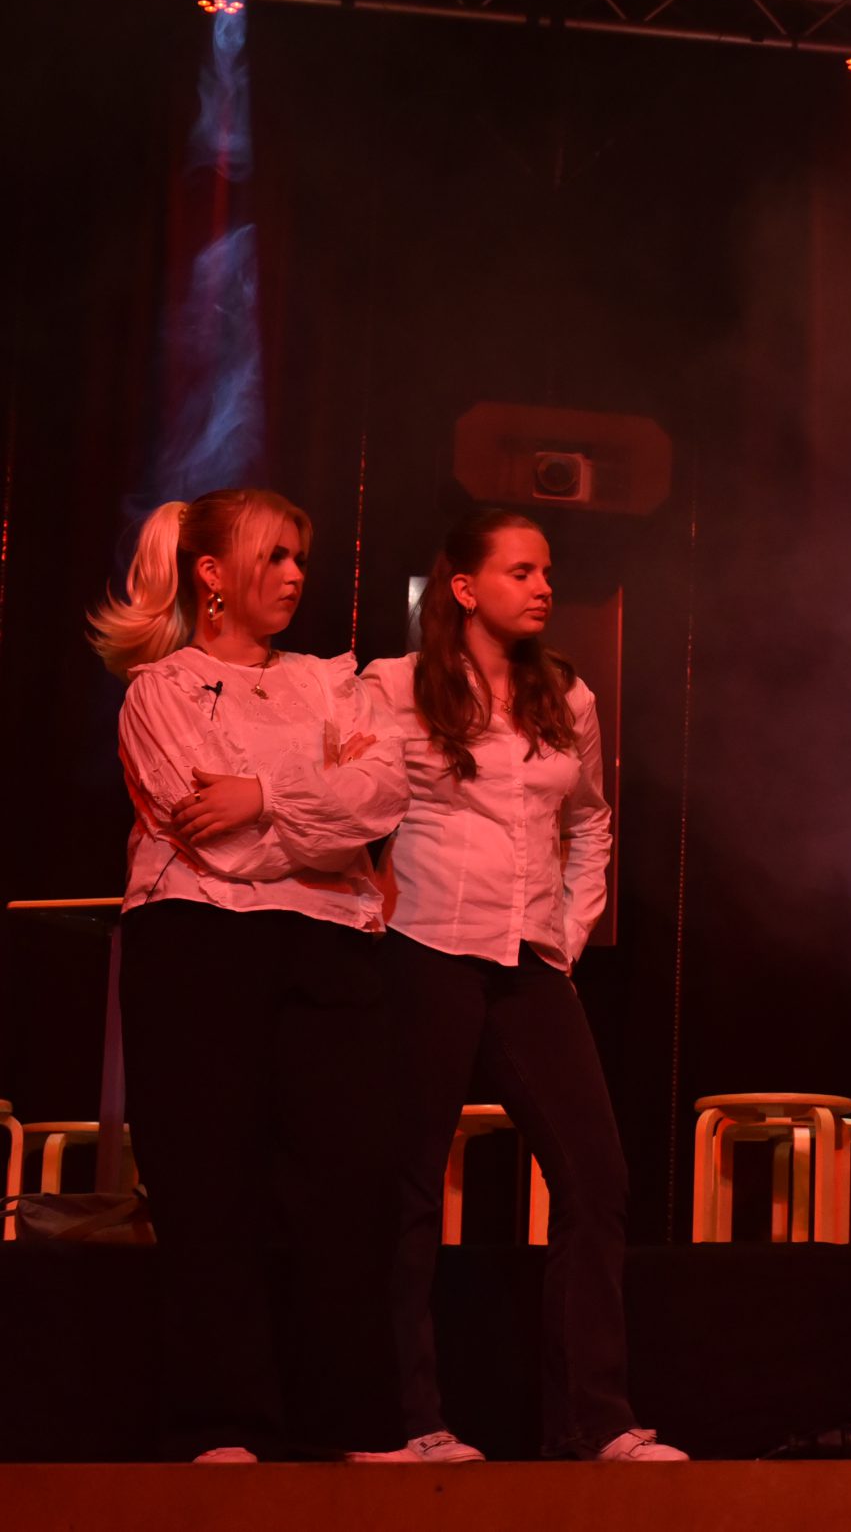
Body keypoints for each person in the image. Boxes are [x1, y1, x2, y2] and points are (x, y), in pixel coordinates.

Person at [92, 488, 409, 1462]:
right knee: (209, 1184)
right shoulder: (162, 690)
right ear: (211, 574)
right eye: (273, 555)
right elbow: (213, 843)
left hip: (328, 946)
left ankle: (350, 1418)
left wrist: (265, 795)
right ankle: (223, 1420)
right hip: (198, 941)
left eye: (299, 557)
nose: (295, 574)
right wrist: (317, 825)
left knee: (348, 1182)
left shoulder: (330, 684)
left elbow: (380, 797)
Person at [364, 509, 684, 1463]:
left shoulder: (567, 697)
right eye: (520, 571)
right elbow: (349, 808)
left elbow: (590, 822)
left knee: (597, 1177)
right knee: (406, 1187)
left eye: (547, 571)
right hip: (424, 946)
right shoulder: (395, 687)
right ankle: (405, 1418)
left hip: (530, 959)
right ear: (464, 588)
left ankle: (594, 1421)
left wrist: (568, 933)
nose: (543, 586)